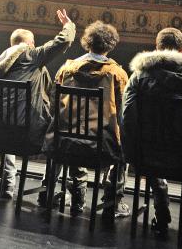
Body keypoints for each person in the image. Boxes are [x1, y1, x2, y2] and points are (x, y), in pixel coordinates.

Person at [122, 27, 182, 237]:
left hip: (147, 156)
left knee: (151, 148)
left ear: (156, 48)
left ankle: (161, 209)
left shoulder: (138, 78)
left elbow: (128, 118)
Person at [0, 8, 75, 199]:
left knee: (8, 122)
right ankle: (48, 191)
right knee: (59, 137)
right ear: (29, 44)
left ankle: (7, 184)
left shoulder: (0, 61)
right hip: (27, 133)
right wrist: (68, 25)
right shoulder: (30, 56)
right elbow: (63, 41)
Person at [44, 21, 130, 218]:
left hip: (65, 142)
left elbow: (53, 105)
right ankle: (112, 202)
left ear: (87, 42)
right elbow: (124, 112)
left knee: (72, 131)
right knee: (123, 146)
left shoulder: (66, 69)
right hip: (101, 148)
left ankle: (76, 196)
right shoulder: (116, 74)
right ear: (111, 45)